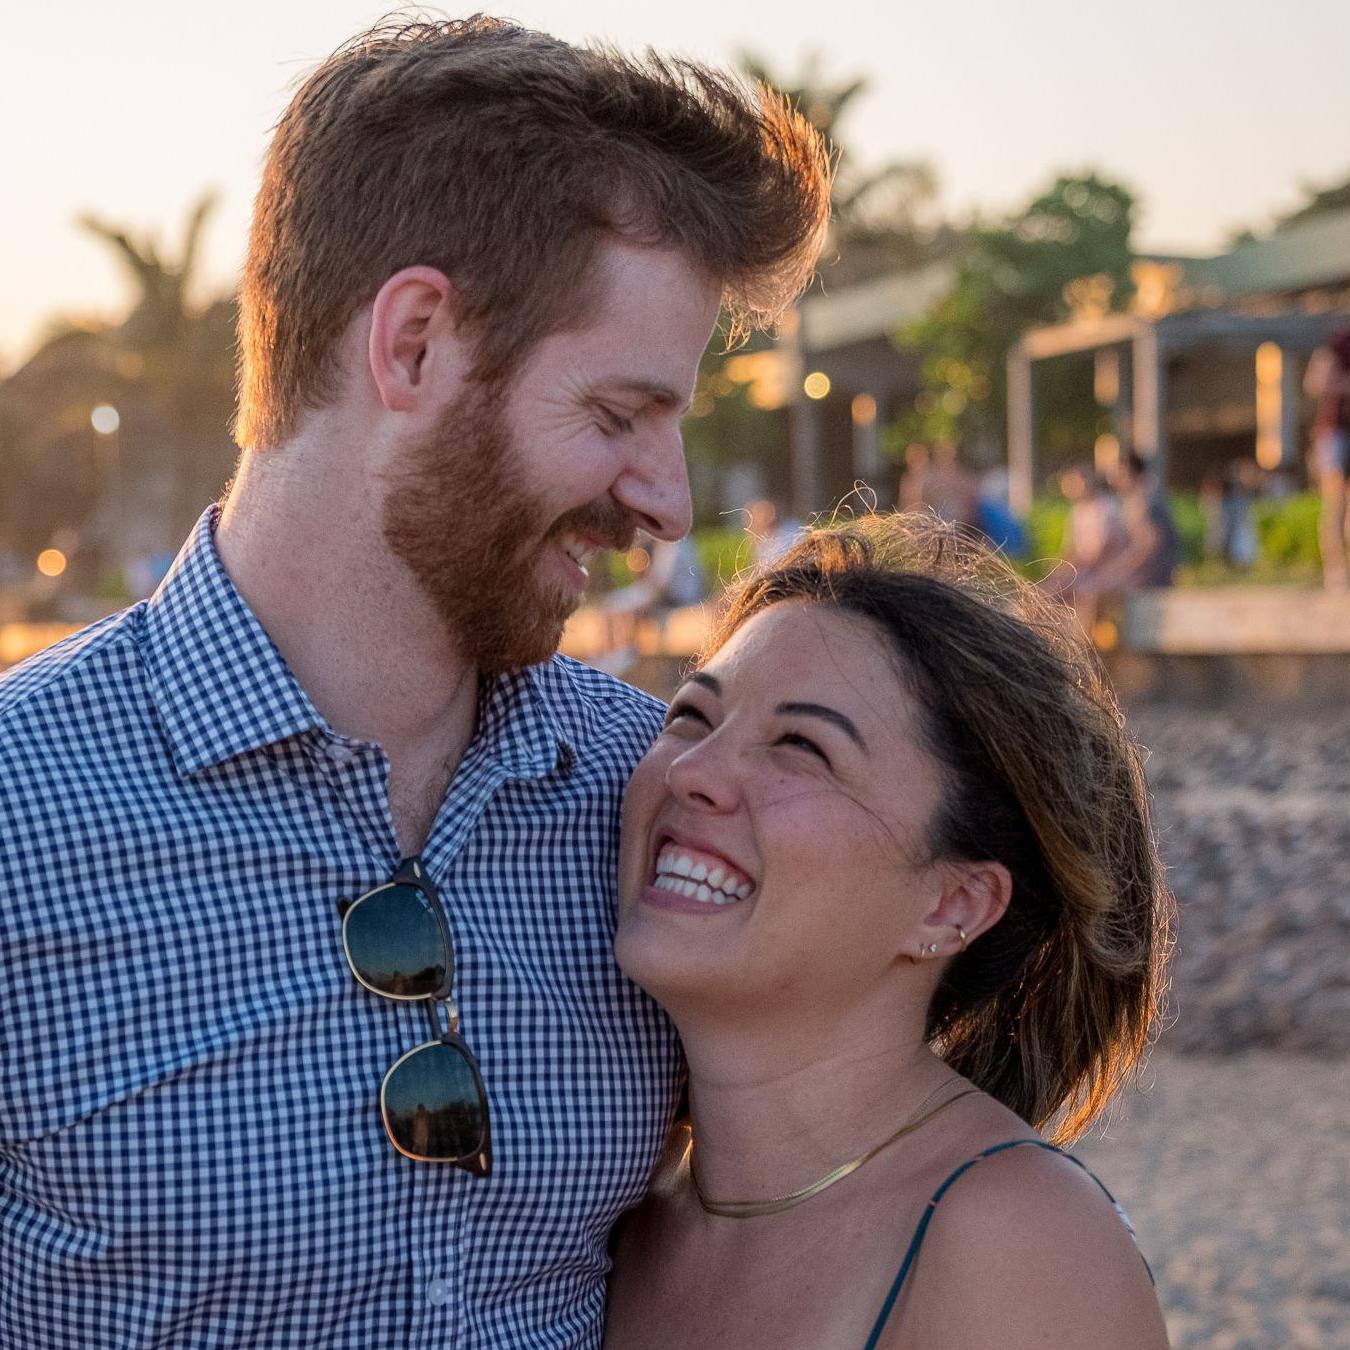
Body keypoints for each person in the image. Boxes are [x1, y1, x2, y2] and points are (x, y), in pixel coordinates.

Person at [0, 18, 830, 1348]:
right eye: (617, 415)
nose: (667, 505)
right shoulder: (19, 813)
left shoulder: (659, 801)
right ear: (416, 343)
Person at [607, 515, 1172, 1348]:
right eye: (691, 716)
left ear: (952, 906)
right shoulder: (608, 1221)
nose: (693, 771)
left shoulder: (1019, 1244)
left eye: (800, 746)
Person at [1305, 328, 1350, 588]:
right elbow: (1314, 383)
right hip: (1334, 432)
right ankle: (1335, 572)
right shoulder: (1335, 345)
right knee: (1335, 502)